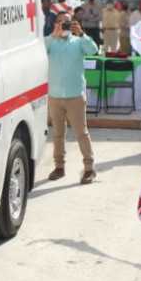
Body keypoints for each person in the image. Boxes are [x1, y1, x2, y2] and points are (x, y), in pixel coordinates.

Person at [45, 11, 98, 185]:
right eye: (61, 22)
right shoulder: (50, 42)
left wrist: (82, 33)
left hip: (75, 96)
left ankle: (89, 169)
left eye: (67, 22)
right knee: (58, 134)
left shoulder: (78, 42)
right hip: (55, 96)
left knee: (81, 133)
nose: (64, 25)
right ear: (56, 24)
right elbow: (40, 51)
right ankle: (59, 167)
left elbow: (93, 50)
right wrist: (53, 35)